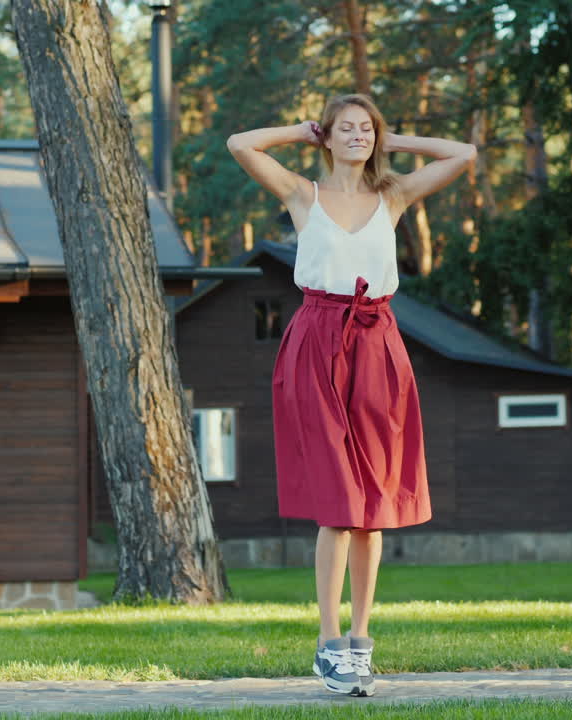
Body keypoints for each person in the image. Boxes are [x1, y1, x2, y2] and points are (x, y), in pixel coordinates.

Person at [226, 93, 476, 697]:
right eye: (348, 128)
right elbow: (240, 145)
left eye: (367, 129)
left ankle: (360, 643)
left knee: (373, 506)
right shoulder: (302, 195)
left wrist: (395, 143)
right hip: (317, 342)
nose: (359, 136)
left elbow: (463, 152)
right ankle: (328, 640)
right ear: (328, 137)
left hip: (378, 346)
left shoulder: (392, 197)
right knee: (339, 503)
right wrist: (298, 129)